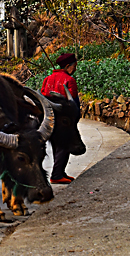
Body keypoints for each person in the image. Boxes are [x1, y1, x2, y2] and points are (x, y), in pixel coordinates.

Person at [41, 52, 81, 184]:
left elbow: (42, 96)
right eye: (74, 66)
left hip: (50, 119)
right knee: (65, 144)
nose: (75, 69)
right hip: (65, 120)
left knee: (56, 144)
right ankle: (57, 175)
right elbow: (73, 102)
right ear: (68, 66)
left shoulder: (48, 79)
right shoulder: (69, 80)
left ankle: (60, 172)